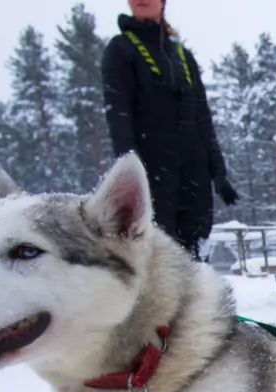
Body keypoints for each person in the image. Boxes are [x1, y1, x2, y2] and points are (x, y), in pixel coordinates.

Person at [101, 0, 239, 257]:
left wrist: (218, 172)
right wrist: (130, 171)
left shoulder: (183, 56)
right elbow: (118, 118)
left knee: (194, 250)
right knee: (160, 250)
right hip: (153, 171)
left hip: (193, 171)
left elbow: (203, 118)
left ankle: (195, 295)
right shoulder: (120, 50)